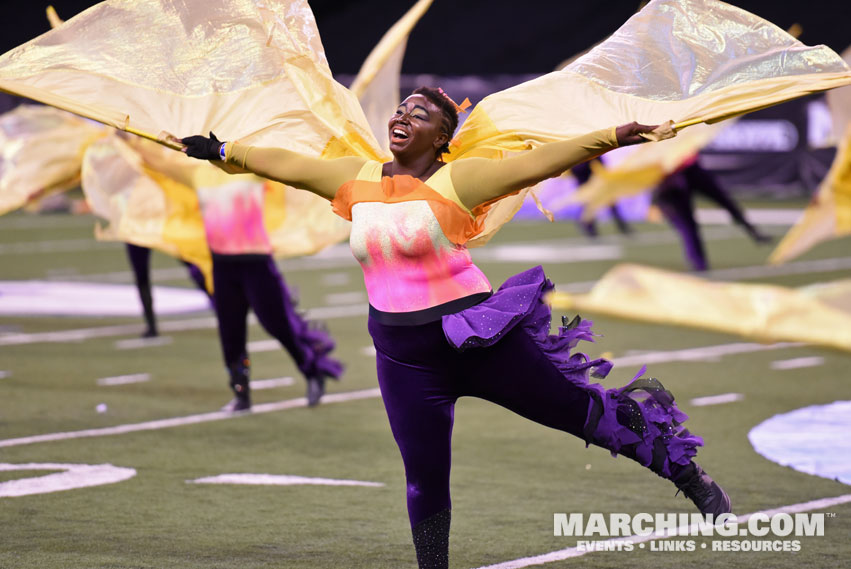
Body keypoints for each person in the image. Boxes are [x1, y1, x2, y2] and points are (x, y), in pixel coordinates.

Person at [182, 87, 731, 569]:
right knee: (423, 478)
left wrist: (613, 136)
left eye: (419, 114)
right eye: (401, 109)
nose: (403, 116)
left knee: (581, 415)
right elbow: (283, 164)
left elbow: (542, 161)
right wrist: (223, 150)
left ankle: (689, 477)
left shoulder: (457, 179)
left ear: (442, 138)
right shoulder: (354, 178)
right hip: (403, 357)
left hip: (476, 339)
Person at [652, 155, 772, 271]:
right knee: (687, 226)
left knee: (725, 201)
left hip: (689, 169)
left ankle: (752, 230)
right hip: (668, 181)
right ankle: (699, 267)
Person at [125, 243, 212, 338]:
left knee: (194, 265)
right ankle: (151, 326)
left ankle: (219, 305)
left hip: (160, 229)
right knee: (141, 276)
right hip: (138, 232)